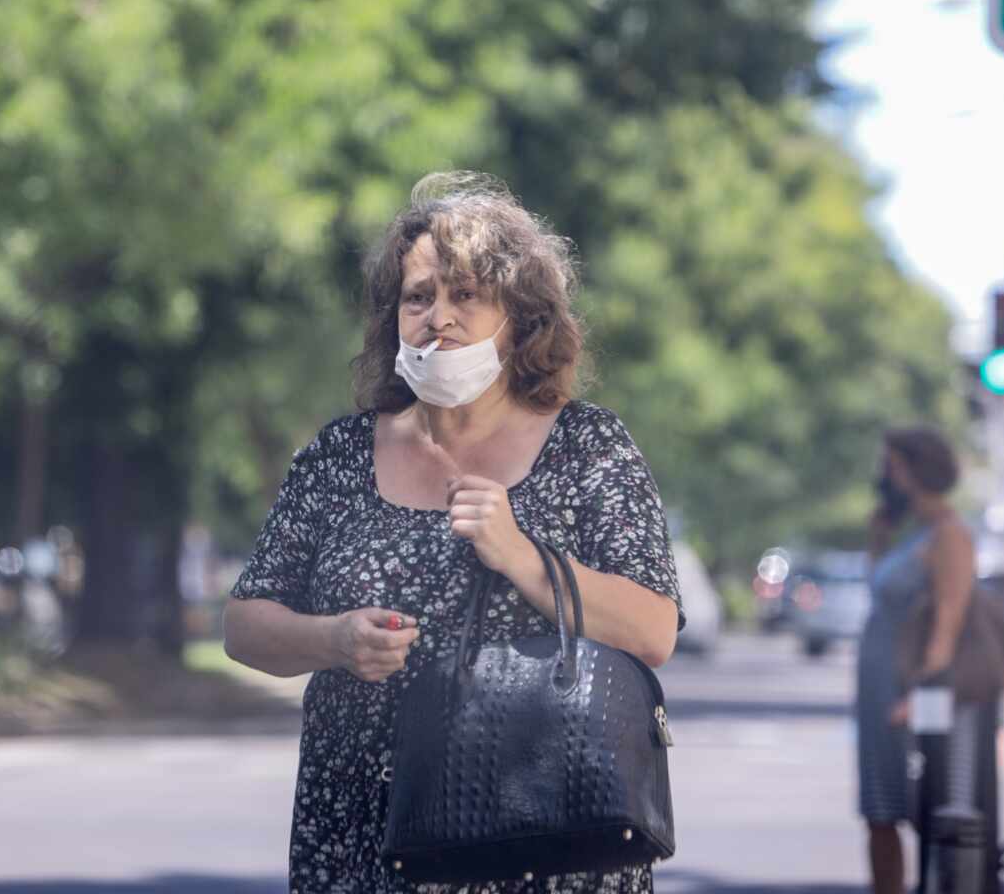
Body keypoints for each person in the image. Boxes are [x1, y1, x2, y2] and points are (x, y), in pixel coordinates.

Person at [223, 172, 684, 894]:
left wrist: (523, 557)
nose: (439, 316)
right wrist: (335, 640)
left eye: (466, 294)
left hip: (543, 838)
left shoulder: (589, 447)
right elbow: (244, 625)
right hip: (362, 839)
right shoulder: (338, 456)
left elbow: (654, 631)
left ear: (520, 317)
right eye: (419, 296)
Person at [856, 427, 976, 894]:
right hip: (879, 687)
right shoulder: (915, 533)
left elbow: (948, 624)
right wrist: (880, 534)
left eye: (892, 466)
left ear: (913, 470)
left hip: (909, 692)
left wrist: (919, 695)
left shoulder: (950, 536)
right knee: (879, 810)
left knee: (924, 809)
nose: (885, 476)